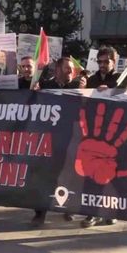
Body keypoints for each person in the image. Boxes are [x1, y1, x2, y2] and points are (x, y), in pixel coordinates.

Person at [32, 57, 81, 226]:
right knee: (45, 175)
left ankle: (68, 208)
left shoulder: (78, 86)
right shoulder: (46, 86)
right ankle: (40, 212)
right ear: (58, 70)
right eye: (67, 68)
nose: (70, 71)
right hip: (49, 139)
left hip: (71, 138)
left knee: (68, 175)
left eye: (72, 69)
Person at [82, 46, 120, 228]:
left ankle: (110, 211)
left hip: (113, 134)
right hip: (93, 134)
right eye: (100, 61)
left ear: (114, 62)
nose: (103, 65)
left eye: (106, 61)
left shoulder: (121, 79)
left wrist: (111, 91)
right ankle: (92, 212)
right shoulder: (91, 80)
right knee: (91, 173)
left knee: (110, 175)